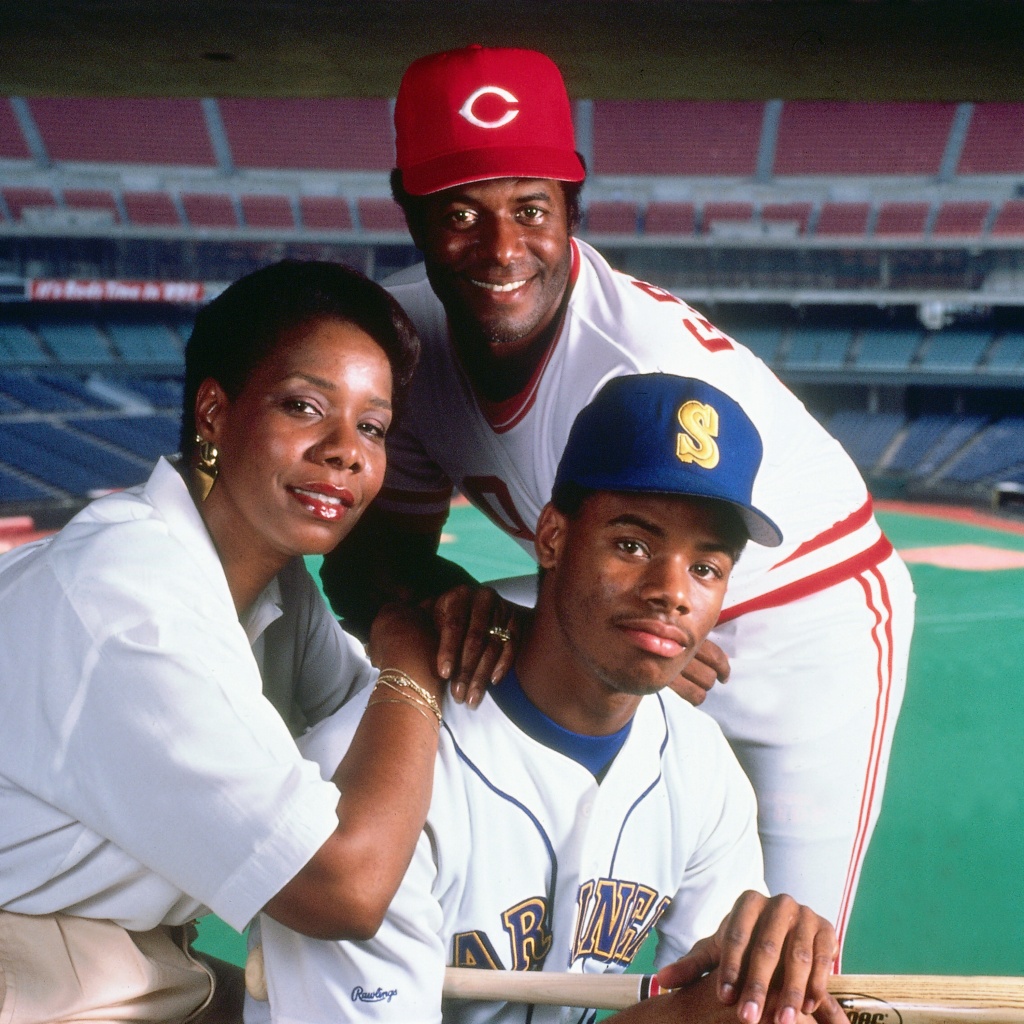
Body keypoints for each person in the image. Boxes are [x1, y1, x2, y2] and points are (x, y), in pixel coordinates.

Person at [319, 45, 916, 956]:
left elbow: (657, 580)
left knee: (779, 960)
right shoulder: (406, 344)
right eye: (460, 214)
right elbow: (369, 563)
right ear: (410, 214)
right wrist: (448, 600)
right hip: (633, 596)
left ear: (573, 207)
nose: (501, 248)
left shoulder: (637, 370)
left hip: (811, 625)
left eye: (530, 209)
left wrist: (514, 613)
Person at [253, 374, 847, 1024]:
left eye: (705, 568)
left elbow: (719, 998)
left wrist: (756, 977)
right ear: (552, 539)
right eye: (633, 545)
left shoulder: (702, 770)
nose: (672, 591)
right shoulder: (367, 774)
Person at [0, 260, 476, 1024]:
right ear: (215, 415)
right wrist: (409, 648)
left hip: (119, 955)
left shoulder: (267, 581)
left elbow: (394, 744)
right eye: (305, 406)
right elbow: (341, 886)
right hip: (36, 974)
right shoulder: (131, 604)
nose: (346, 450)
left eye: (373, 427)